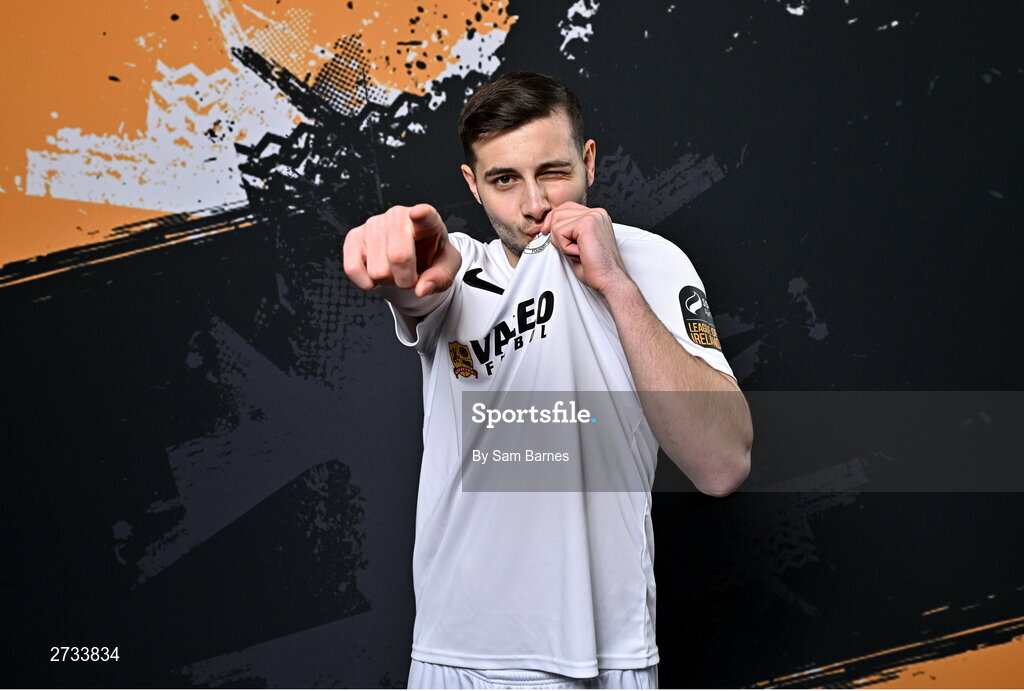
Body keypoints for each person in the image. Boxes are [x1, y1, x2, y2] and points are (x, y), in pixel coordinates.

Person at [343, 71, 752, 689]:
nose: (534, 204)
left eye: (553, 172)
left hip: (607, 653)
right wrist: (398, 250)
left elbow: (722, 466)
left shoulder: (651, 263)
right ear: (472, 185)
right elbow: (421, 281)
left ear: (588, 161)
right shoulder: (455, 273)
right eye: (505, 179)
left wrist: (615, 284)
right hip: (456, 657)